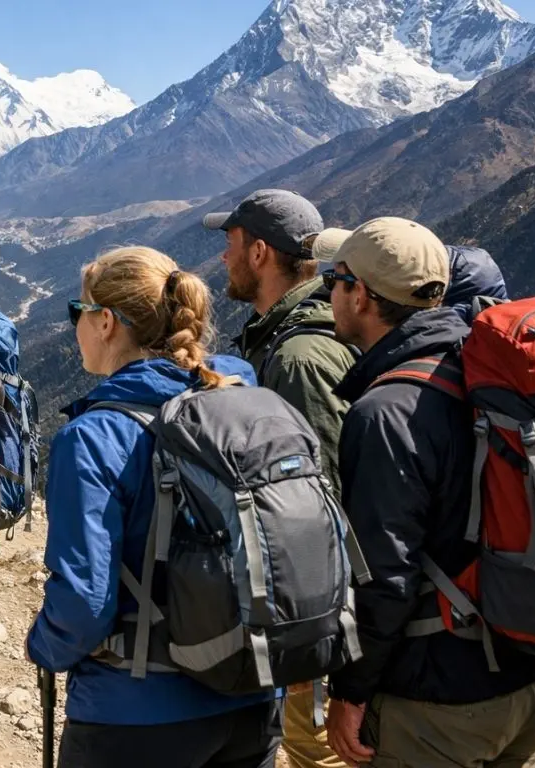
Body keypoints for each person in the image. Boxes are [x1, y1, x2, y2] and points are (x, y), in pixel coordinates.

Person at [26, 246, 282, 768]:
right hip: (252, 693)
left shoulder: (94, 437)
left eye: (77, 312)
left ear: (105, 322)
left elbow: (84, 603)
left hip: (136, 710)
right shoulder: (240, 398)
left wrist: (43, 646)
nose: (75, 327)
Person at [320, 218, 535, 767]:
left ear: (361, 295)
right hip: (533, 671)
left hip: (441, 699)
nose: (328, 293)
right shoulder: (490, 371)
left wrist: (351, 690)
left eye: (334, 280)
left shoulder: (385, 413)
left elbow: (385, 576)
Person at [204, 192, 354, 768]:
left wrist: (307, 635)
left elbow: (318, 502)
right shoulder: (298, 331)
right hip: (332, 611)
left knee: (318, 752)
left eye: (231, 243)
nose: (224, 257)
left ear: (260, 252)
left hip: (319, 615)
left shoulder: (297, 358)